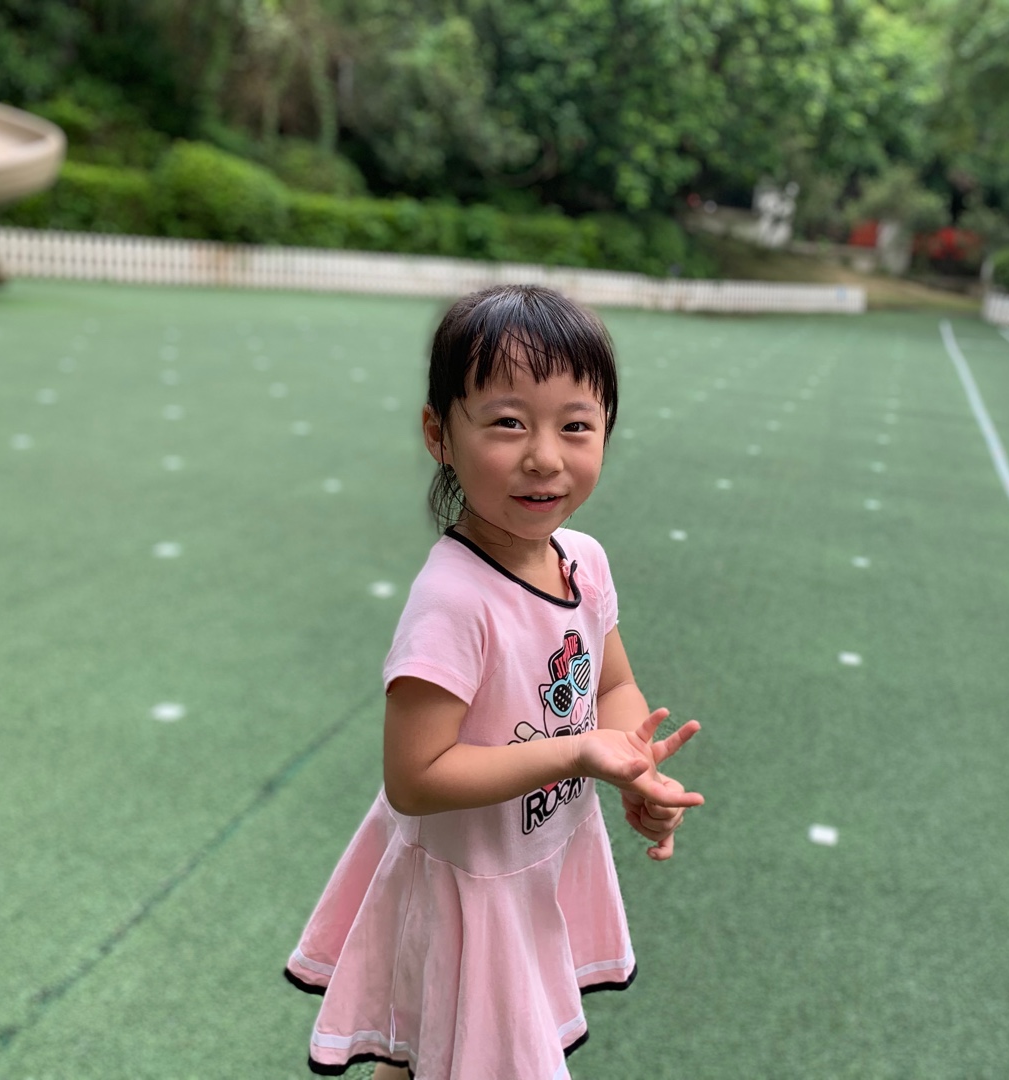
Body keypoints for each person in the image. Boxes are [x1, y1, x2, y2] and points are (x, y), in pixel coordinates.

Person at [284, 284, 704, 1079]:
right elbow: (416, 777)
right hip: (467, 885)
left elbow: (611, 683)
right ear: (440, 435)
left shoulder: (584, 560)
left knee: (427, 1053)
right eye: (509, 422)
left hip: (532, 856)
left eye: (575, 425)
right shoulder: (454, 599)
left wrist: (634, 767)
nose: (545, 456)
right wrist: (576, 753)